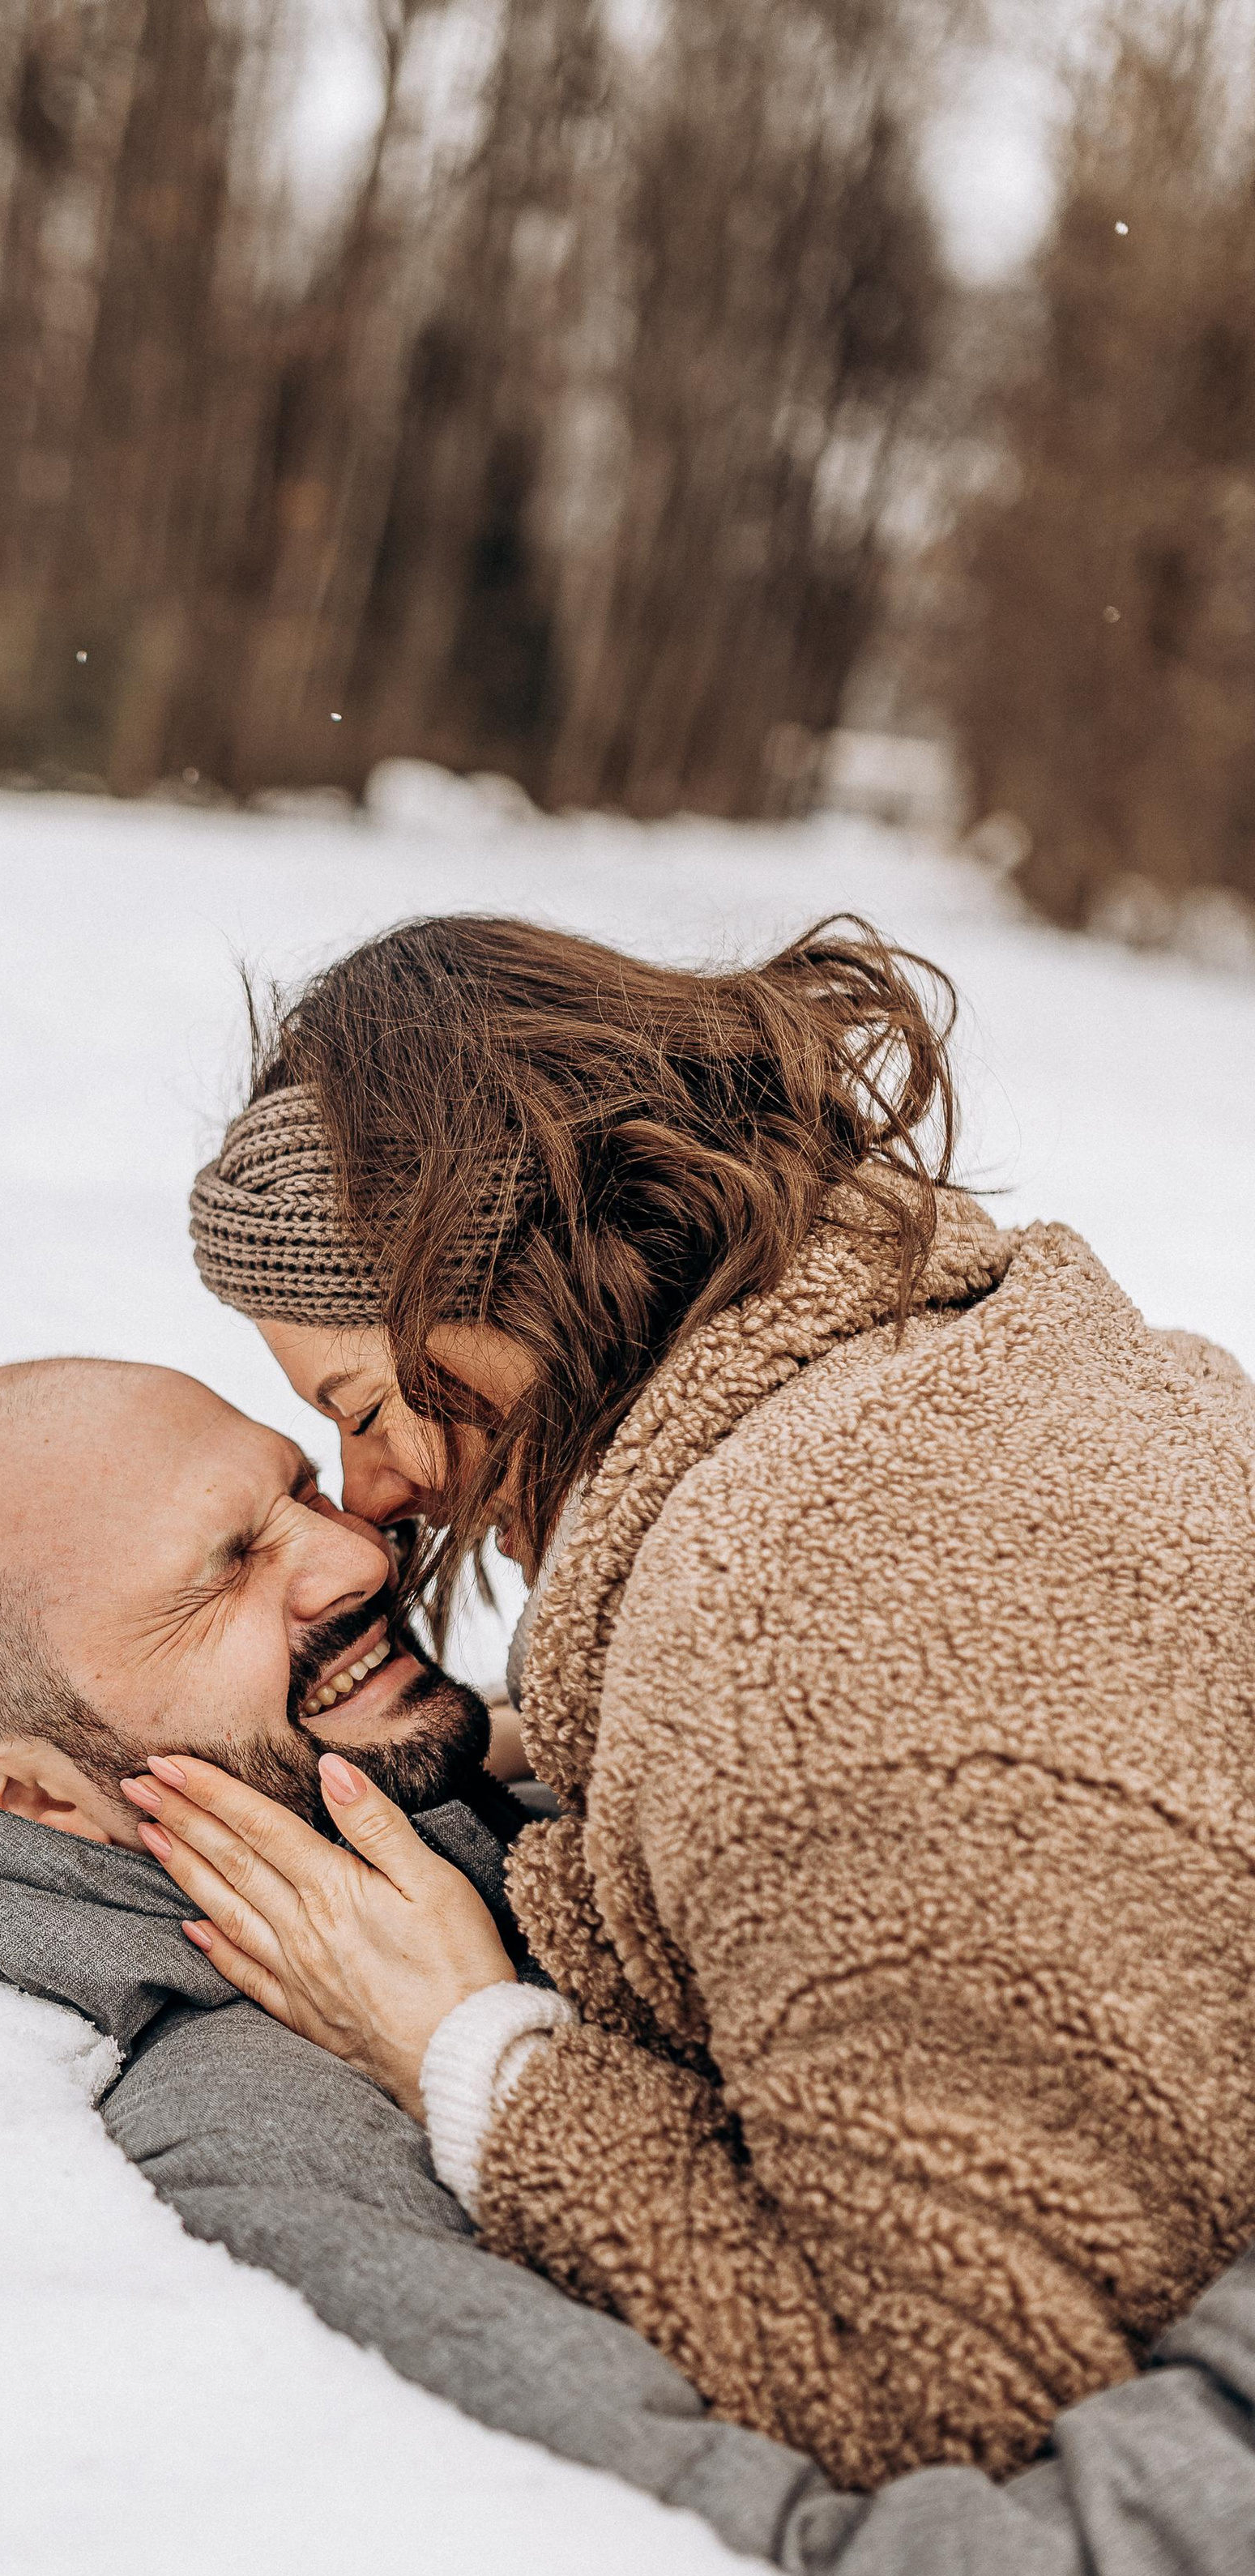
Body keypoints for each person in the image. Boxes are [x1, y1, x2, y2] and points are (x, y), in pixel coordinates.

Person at [0, 1355, 1255, 2576]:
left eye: (300, 1488)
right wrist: (484, 2063)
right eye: (229, 1573)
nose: (354, 1556)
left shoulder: (510, 1767)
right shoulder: (269, 2135)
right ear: (29, 1798)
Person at [175, 910, 1255, 2493]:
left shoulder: (785, 1648)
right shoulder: (982, 1363)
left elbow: (948, 2395)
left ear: (513, 1283)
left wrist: (469, 2052)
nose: (375, 1495)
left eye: (363, 1407)